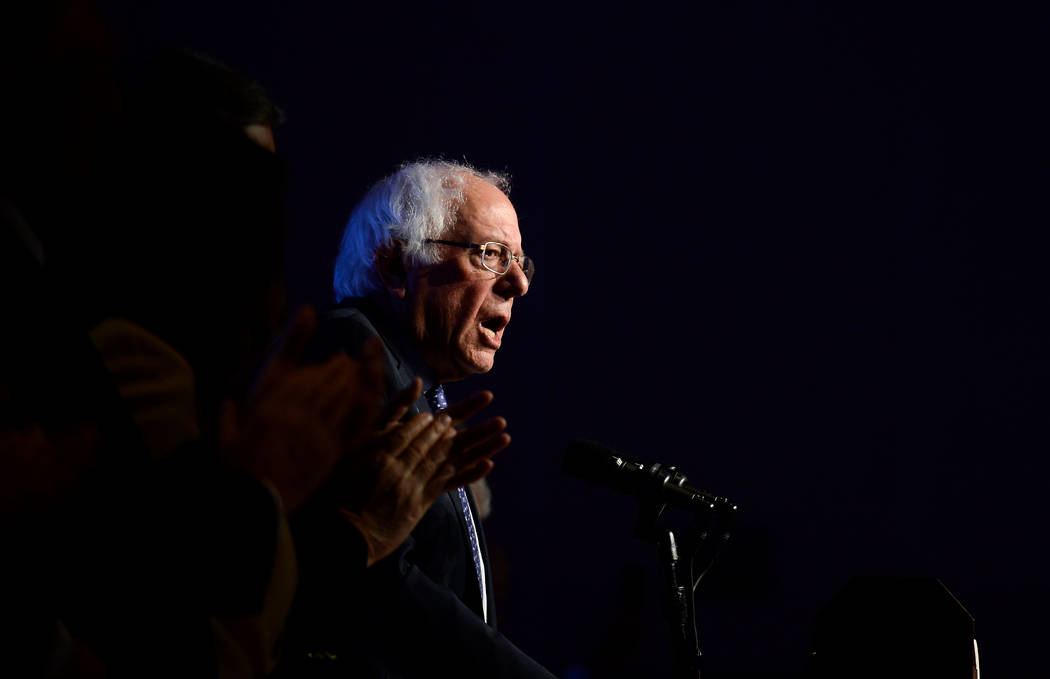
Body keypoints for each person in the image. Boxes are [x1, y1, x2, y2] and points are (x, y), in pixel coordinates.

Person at [281, 160, 554, 678]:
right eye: (491, 255)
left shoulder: (417, 384)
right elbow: (377, 578)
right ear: (393, 268)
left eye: (520, 261)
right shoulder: (353, 351)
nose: (518, 282)